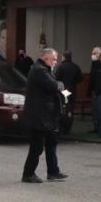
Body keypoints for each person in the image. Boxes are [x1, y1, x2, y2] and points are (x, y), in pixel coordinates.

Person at [22, 48, 67, 183]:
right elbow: (54, 85)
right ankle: (28, 174)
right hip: (39, 116)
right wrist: (59, 84)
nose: (55, 62)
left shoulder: (45, 69)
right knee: (37, 147)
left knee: (51, 143)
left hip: (49, 115)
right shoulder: (39, 70)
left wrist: (62, 89)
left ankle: (53, 172)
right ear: (46, 58)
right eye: (53, 59)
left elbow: (59, 88)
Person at [54, 51, 83, 135]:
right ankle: (69, 127)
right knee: (71, 108)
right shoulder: (75, 66)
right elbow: (80, 78)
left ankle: (63, 127)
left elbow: (56, 78)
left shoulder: (61, 67)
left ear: (63, 57)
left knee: (63, 107)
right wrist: (73, 83)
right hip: (73, 90)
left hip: (64, 90)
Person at [86, 46, 101, 134]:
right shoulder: (94, 63)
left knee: (98, 110)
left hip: (99, 91)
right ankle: (97, 128)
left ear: (99, 54)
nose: (92, 55)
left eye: (94, 53)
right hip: (96, 91)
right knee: (95, 110)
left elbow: (95, 78)